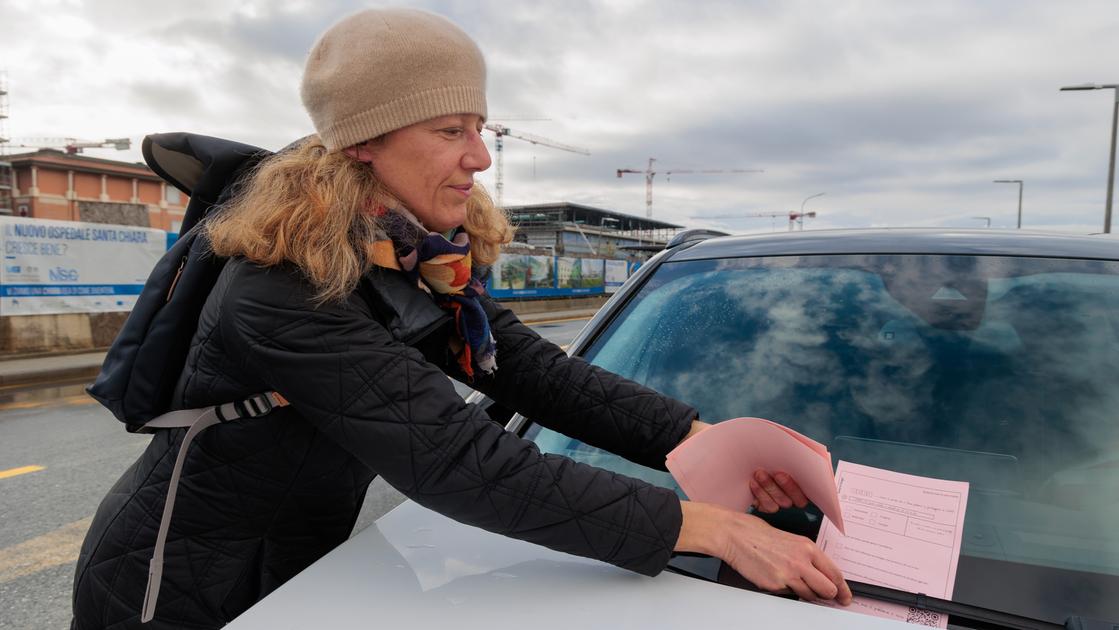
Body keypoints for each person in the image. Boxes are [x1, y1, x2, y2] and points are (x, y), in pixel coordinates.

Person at [71, 8, 850, 629]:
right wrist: (710, 527)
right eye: (451, 131)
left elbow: (531, 370)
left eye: (479, 127)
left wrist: (698, 439)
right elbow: (457, 461)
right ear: (365, 143)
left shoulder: (406, 261)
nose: (480, 157)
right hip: (175, 586)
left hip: (297, 559)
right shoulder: (281, 288)